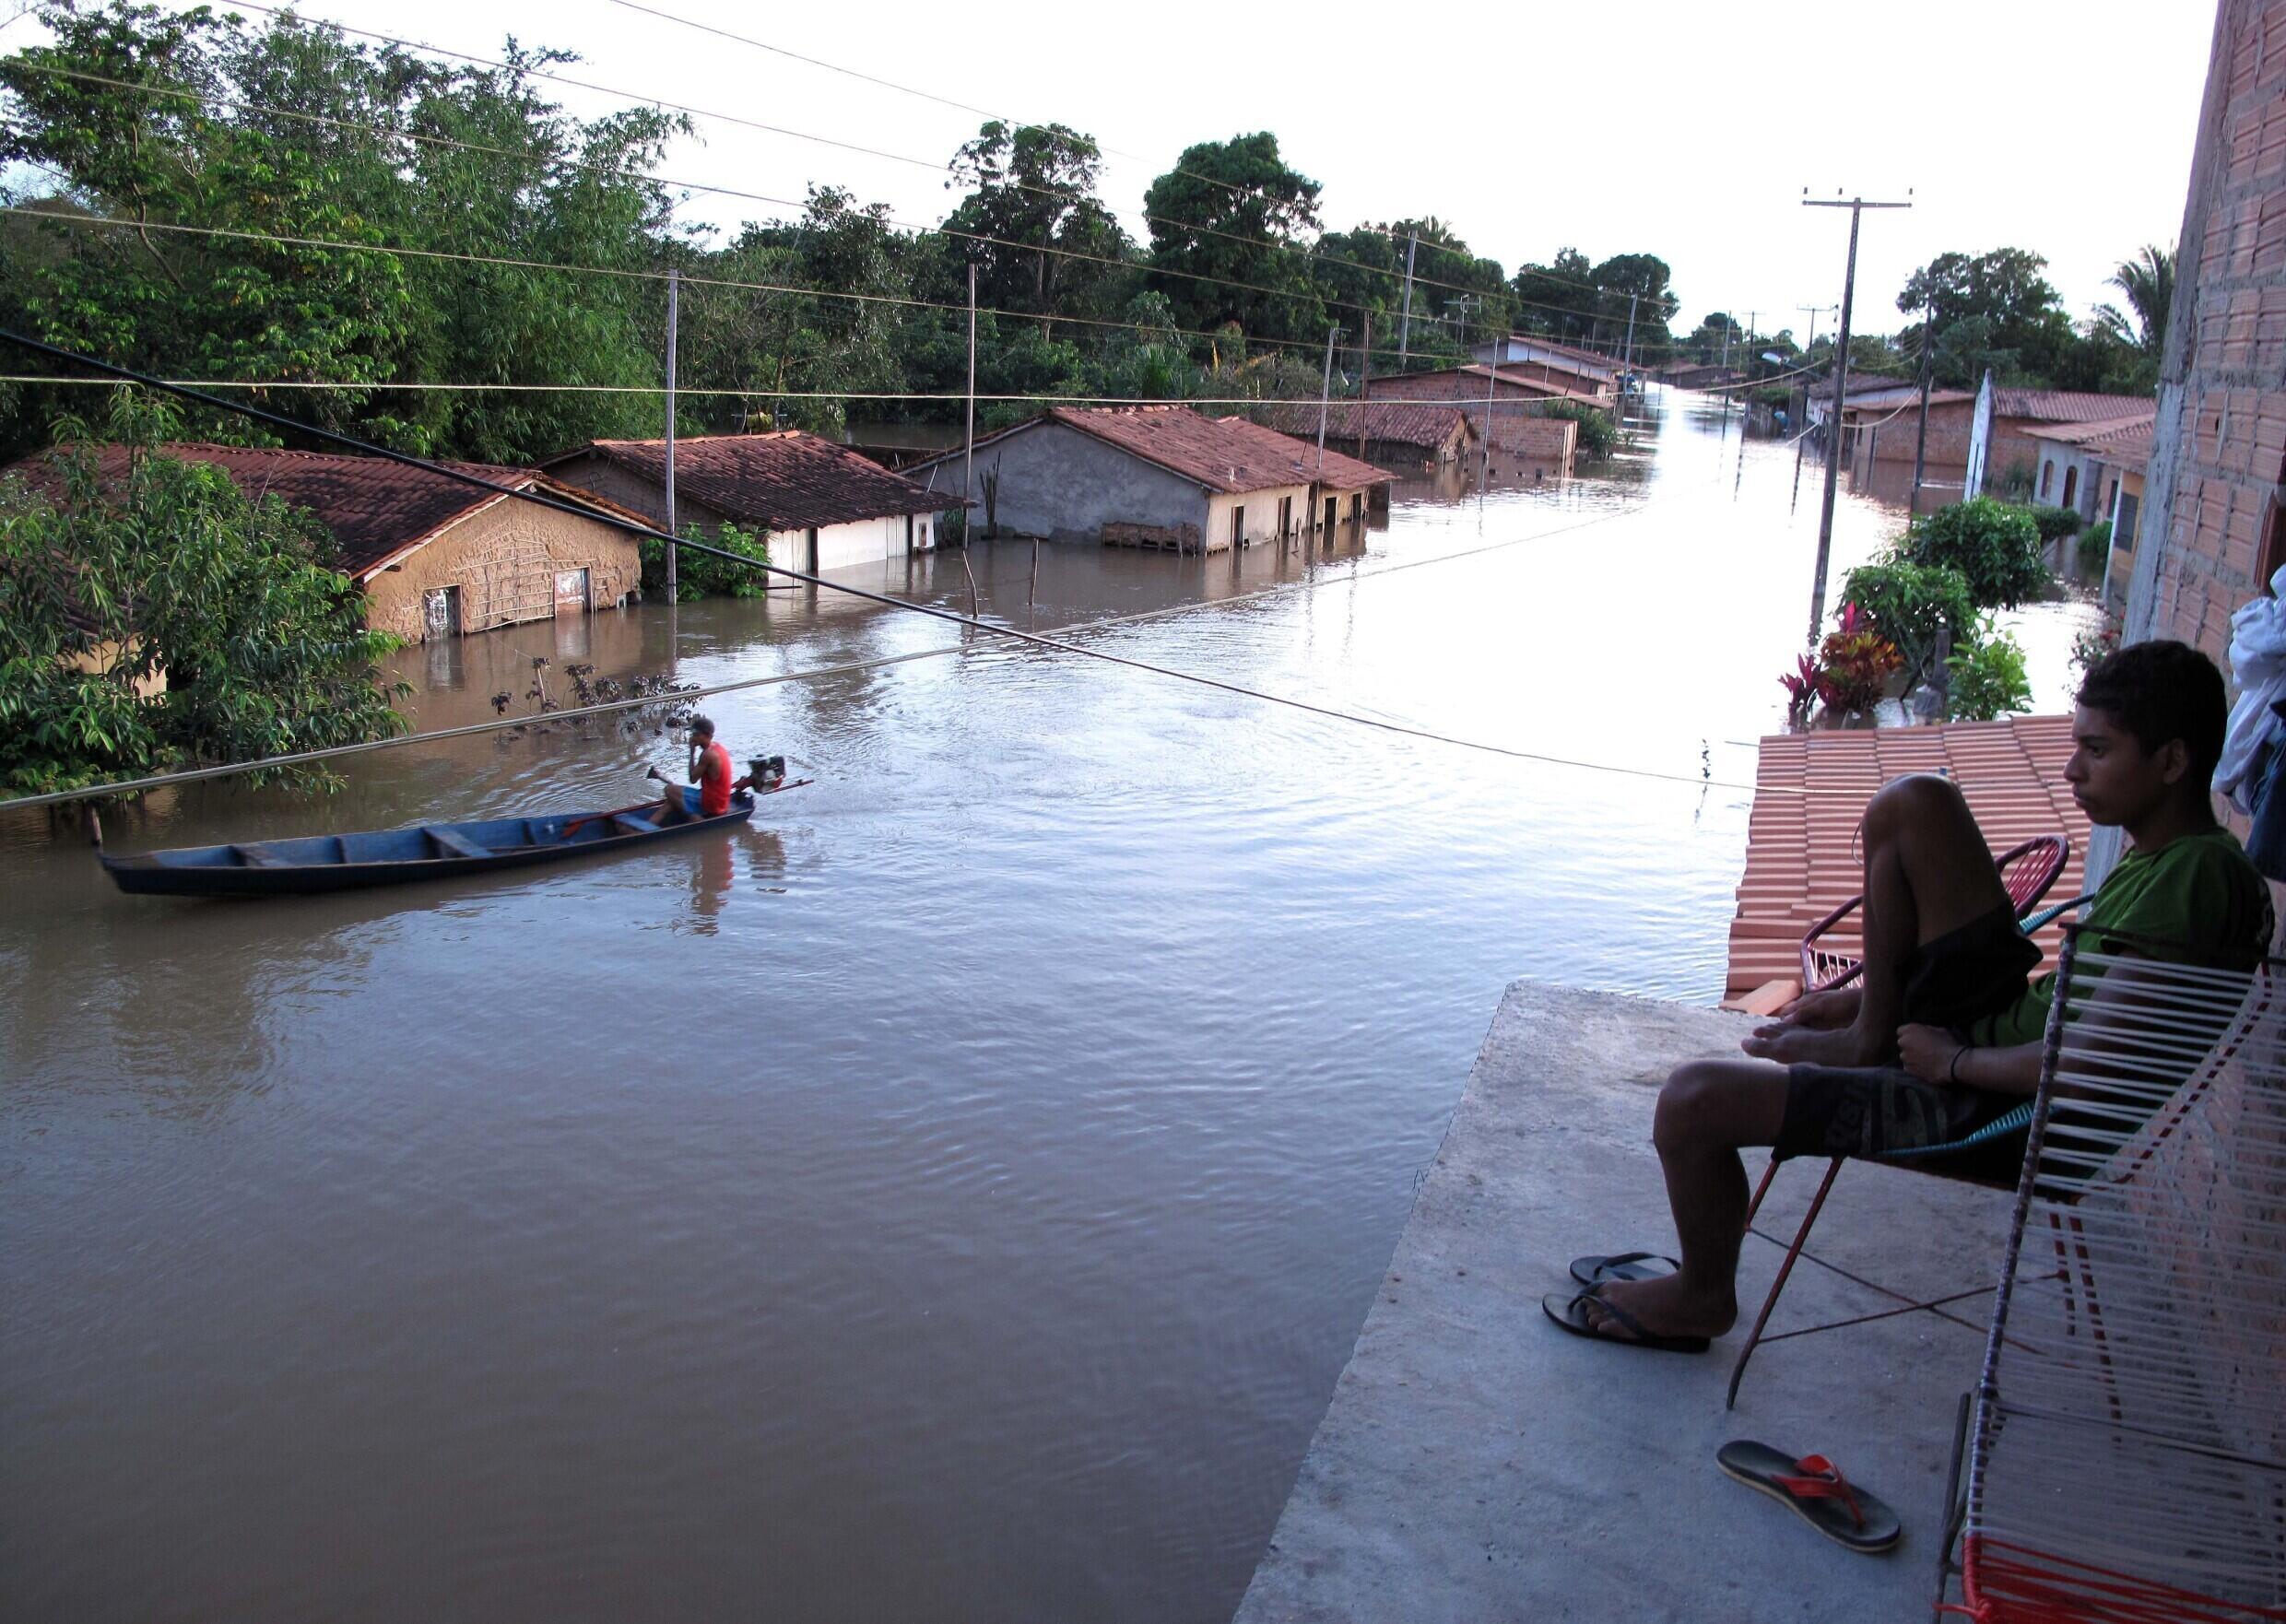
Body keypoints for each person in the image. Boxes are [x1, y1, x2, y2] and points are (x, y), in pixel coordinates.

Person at [1546, 640, 2273, 1351]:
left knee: (1692, 1102)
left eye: (2098, 750)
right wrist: (1883, 1001)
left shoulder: (2197, 880)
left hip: (2000, 1114)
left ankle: (1702, 1297)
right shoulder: (2173, 861)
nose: (2070, 767)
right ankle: (1871, 1028)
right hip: (1993, 1039)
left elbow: (2085, 1066)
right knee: (1915, 803)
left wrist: (1951, 1062)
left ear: (2173, 761)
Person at [653, 715, 733, 825]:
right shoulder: (717, 747)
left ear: (707, 736)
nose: (693, 737)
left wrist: (692, 752)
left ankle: (695, 817)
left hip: (713, 804)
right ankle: (642, 830)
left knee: (669, 790)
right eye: (693, 734)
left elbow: (692, 779)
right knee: (670, 803)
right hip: (721, 801)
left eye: (696, 735)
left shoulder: (707, 754)